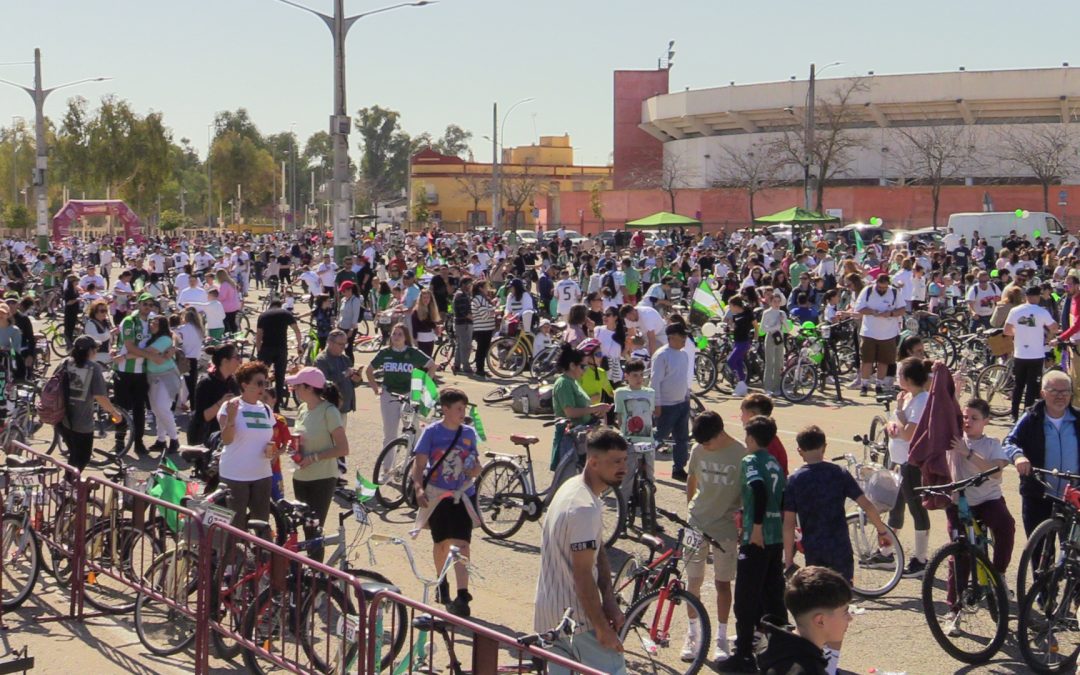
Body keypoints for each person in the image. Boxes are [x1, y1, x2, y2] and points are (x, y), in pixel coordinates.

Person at [782, 425, 890, 675]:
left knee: (818, 608)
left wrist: (788, 560)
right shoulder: (838, 473)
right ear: (824, 447)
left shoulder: (795, 480)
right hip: (840, 550)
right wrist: (881, 530)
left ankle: (816, 659)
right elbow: (866, 504)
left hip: (814, 554)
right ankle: (831, 664)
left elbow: (788, 523)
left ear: (799, 451)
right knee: (840, 608)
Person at [534, 427, 628, 675]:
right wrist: (602, 627)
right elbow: (583, 574)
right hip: (577, 621)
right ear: (594, 462)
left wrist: (609, 598)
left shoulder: (575, 489)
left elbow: (597, 550)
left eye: (624, 460)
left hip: (551, 614)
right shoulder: (584, 508)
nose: (623, 468)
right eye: (615, 461)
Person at [716, 416, 786, 674]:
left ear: (752, 438)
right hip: (776, 535)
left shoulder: (751, 461)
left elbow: (758, 489)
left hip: (757, 537)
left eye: (746, 436)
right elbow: (781, 497)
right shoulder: (774, 462)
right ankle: (782, 651)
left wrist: (756, 526)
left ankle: (743, 654)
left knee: (745, 599)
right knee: (772, 596)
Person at [944, 398, 1015, 636]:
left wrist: (968, 454)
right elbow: (942, 410)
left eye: (974, 418)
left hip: (987, 500)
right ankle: (954, 610)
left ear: (986, 421)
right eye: (965, 417)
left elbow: (996, 473)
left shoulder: (991, 444)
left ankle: (999, 573)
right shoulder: (954, 439)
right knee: (959, 554)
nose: (968, 422)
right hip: (960, 503)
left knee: (1006, 525)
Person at [410, 388, 482, 617]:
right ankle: (442, 582)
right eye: (459, 408)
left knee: (462, 544)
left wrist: (475, 470)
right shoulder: (431, 432)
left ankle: (462, 595)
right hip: (438, 495)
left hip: (462, 494)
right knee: (441, 543)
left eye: (464, 408)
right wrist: (418, 488)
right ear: (445, 409)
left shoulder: (469, 433)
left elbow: (476, 463)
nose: (463, 413)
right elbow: (419, 465)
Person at [682, 411, 744, 663]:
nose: (704, 446)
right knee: (693, 581)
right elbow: (691, 478)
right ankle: (692, 633)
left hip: (725, 529)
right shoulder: (698, 450)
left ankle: (720, 636)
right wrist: (690, 508)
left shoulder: (741, 454)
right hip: (696, 524)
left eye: (707, 442)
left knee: (722, 583)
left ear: (720, 433)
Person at [1005, 370, 1080, 535]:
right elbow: (1009, 441)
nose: (1060, 396)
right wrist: (1018, 456)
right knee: (1039, 547)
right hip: (1039, 493)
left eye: (1065, 392)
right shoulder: (1031, 417)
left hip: (1074, 496)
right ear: (1043, 393)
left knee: (1073, 546)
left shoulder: (1077, 418)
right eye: (1054, 391)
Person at [287, 367, 349, 561]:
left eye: (298, 386)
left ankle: (316, 573)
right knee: (306, 528)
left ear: (309, 388)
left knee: (314, 529)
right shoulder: (302, 409)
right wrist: (293, 448)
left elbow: (343, 448)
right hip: (300, 477)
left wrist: (313, 458)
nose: (294, 389)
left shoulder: (329, 411)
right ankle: (309, 570)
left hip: (322, 479)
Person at [218, 361, 279, 530]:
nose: (263, 388)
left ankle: (261, 549)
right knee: (235, 528)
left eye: (265, 383)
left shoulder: (266, 409)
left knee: (262, 525)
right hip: (235, 475)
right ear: (244, 385)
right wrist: (231, 419)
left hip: (262, 474)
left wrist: (272, 450)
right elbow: (227, 440)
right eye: (259, 383)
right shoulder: (230, 406)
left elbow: (267, 437)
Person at [757, 567, 853, 675]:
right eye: (845, 612)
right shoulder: (808, 670)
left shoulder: (776, 642)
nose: (850, 618)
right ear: (820, 621)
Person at [886, 357, 933, 577]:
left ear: (907, 378)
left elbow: (907, 434)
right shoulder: (909, 397)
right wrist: (896, 414)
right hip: (899, 460)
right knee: (895, 507)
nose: (897, 378)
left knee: (916, 509)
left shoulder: (922, 400)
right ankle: (886, 551)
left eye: (899, 374)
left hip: (912, 463)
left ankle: (921, 560)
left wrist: (896, 419)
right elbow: (898, 424)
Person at [366, 322, 436, 449]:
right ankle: (387, 462)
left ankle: (413, 459)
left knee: (411, 430)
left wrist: (423, 387)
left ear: (406, 337)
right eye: (394, 334)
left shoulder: (413, 352)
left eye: (400, 334)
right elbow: (369, 370)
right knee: (389, 434)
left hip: (408, 396)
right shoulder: (385, 353)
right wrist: (376, 389)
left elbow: (432, 366)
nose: (396, 337)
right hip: (389, 395)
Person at [59, 335, 123, 471]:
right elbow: (100, 397)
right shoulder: (93, 368)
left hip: (62, 418)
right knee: (83, 458)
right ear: (90, 351)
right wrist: (114, 413)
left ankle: (68, 481)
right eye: (95, 349)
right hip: (82, 422)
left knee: (74, 456)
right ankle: (69, 482)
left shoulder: (65, 363)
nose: (96, 351)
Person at [550, 343, 612, 470]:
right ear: (572, 365)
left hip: (579, 437)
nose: (586, 370)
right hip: (568, 439)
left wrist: (597, 410)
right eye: (583, 366)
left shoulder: (573, 381)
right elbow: (570, 412)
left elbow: (583, 407)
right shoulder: (564, 383)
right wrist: (595, 408)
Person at [1004, 285, 1059, 422]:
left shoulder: (1015, 310)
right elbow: (1054, 327)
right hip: (1036, 354)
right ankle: (1026, 415)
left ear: (1026, 297)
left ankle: (1013, 414)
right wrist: (1049, 334)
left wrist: (1019, 332)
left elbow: (1007, 330)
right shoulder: (1042, 311)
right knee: (1031, 386)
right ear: (1038, 297)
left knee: (1018, 385)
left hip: (1020, 353)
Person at [113, 293, 154, 456]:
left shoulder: (152, 322)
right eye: (145, 304)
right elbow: (130, 346)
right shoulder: (130, 321)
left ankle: (138, 442)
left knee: (139, 409)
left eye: (150, 304)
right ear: (138, 304)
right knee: (121, 409)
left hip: (141, 372)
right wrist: (149, 354)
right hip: (124, 371)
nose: (148, 307)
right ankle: (119, 442)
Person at [652, 323, 692, 481]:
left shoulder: (683, 355)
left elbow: (682, 378)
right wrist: (657, 404)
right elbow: (655, 382)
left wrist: (687, 396)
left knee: (682, 439)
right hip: (667, 406)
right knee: (659, 436)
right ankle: (640, 462)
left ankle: (679, 468)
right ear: (672, 337)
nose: (685, 339)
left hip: (682, 403)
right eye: (682, 336)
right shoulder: (662, 355)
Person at [854, 274, 905, 397]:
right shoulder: (868, 291)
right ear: (876, 283)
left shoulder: (894, 292)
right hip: (869, 332)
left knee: (884, 361)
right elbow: (859, 308)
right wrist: (872, 312)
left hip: (888, 333)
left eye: (884, 287)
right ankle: (864, 385)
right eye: (880, 287)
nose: (882, 289)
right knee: (866, 360)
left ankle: (879, 385)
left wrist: (890, 313)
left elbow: (902, 310)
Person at [613, 359, 655, 502]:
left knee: (650, 476)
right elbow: (619, 416)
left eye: (641, 375)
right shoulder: (620, 393)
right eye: (635, 375)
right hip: (629, 440)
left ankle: (649, 507)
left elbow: (649, 414)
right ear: (627, 376)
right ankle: (623, 510)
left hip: (648, 440)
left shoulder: (650, 392)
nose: (639, 379)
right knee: (628, 478)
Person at [143, 314, 183, 455]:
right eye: (151, 323)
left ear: (162, 326)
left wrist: (131, 352)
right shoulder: (154, 337)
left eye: (155, 323)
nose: (152, 325)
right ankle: (161, 440)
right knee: (157, 409)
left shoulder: (164, 339)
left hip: (167, 376)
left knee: (162, 408)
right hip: (153, 376)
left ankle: (174, 439)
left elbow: (149, 351)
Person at [188, 343, 241, 445]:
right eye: (237, 357)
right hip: (204, 438)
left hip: (224, 435)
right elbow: (203, 417)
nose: (240, 361)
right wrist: (221, 402)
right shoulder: (206, 383)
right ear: (225, 361)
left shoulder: (233, 382)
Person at [256, 299, 303, 408]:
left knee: (261, 375)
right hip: (281, 349)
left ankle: (261, 399)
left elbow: (259, 335)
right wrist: (299, 345)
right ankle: (277, 404)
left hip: (266, 348)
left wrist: (259, 351)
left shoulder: (263, 315)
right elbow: (297, 330)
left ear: (270, 305)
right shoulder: (286, 314)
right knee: (280, 377)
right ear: (280, 305)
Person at [725, 296, 755, 396]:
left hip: (744, 342)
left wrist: (755, 340)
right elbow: (736, 328)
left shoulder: (747, 314)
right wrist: (730, 327)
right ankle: (742, 385)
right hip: (737, 342)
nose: (729, 308)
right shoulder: (735, 315)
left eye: (730, 306)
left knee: (730, 361)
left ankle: (741, 384)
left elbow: (755, 326)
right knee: (738, 363)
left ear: (735, 305)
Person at [760, 291, 787, 396]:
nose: (776, 303)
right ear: (770, 302)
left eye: (778, 301)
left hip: (780, 338)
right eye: (774, 301)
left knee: (779, 363)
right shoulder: (766, 313)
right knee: (769, 363)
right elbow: (763, 328)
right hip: (771, 337)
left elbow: (788, 328)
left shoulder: (782, 313)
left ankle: (777, 387)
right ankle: (767, 388)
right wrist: (774, 327)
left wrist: (783, 321)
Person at [176, 307, 204, 406]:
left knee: (178, 383)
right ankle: (193, 407)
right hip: (194, 359)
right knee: (192, 386)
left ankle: (177, 405)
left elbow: (178, 341)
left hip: (183, 359)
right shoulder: (200, 330)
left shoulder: (181, 329)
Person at [471, 280, 498, 377]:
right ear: (480, 288)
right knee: (481, 349)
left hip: (486, 327)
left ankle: (481, 368)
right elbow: (484, 315)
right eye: (486, 287)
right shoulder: (479, 299)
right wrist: (495, 311)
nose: (488, 289)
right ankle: (479, 369)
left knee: (483, 349)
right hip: (482, 328)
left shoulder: (483, 298)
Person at [82, 299, 114, 367]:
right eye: (102, 311)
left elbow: (109, 341)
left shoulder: (105, 323)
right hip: (96, 357)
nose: (105, 313)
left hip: (106, 356)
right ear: (95, 312)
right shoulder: (90, 324)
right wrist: (111, 333)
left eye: (106, 310)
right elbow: (95, 339)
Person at [452, 277, 474, 375]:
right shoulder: (461, 295)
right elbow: (465, 312)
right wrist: (475, 319)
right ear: (464, 285)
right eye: (470, 284)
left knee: (460, 345)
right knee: (466, 346)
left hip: (459, 323)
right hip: (464, 324)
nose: (471, 286)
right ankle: (466, 366)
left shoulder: (460, 294)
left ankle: (456, 365)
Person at [411, 288, 441, 357]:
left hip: (430, 337)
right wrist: (415, 340)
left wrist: (436, 327)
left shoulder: (431, 309)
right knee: (422, 358)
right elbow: (416, 327)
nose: (426, 299)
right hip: (421, 338)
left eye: (428, 297)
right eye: (424, 297)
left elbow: (432, 323)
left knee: (429, 357)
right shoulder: (416, 311)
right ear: (420, 299)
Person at [337, 280, 363, 357]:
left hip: (350, 329)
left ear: (350, 290)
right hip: (342, 327)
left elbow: (355, 316)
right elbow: (340, 313)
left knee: (348, 349)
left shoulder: (355, 300)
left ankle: (350, 363)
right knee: (339, 348)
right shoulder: (343, 300)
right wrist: (338, 324)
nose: (342, 293)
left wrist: (351, 330)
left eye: (344, 291)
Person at [215, 269, 242, 334]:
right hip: (234, 305)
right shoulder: (231, 282)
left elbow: (222, 297)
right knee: (232, 323)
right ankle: (235, 335)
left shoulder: (224, 284)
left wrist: (215, 298)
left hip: (227, 307)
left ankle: (227, 336)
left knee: (225, 324)